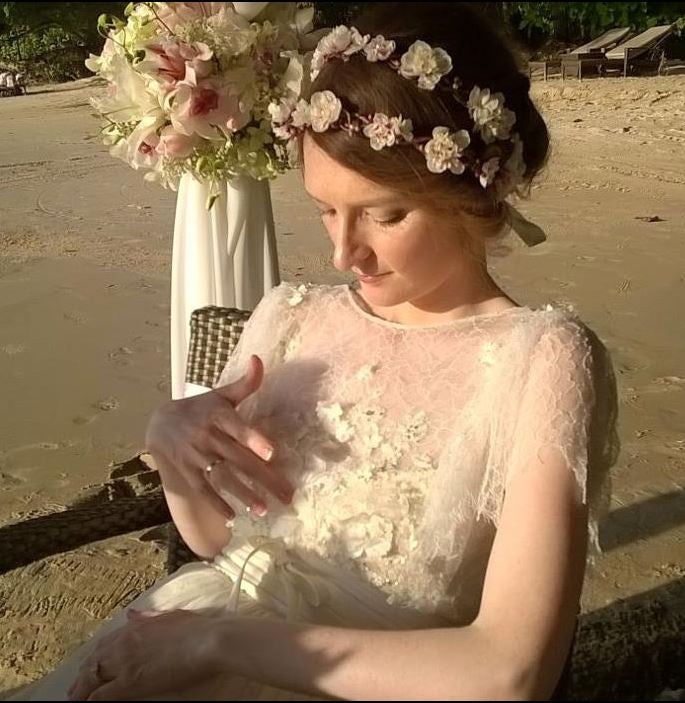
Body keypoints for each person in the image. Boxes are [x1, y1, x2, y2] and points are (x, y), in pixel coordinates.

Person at [9, 3, 619, 701]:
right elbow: (217, 541)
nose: (342, 250)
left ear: (471, 190)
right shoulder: (290, 315)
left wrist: (216, 642)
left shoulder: (543, 357)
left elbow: (509, 673)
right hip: (182, 634)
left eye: (384, 215)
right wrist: (173, 445)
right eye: (325, 209)